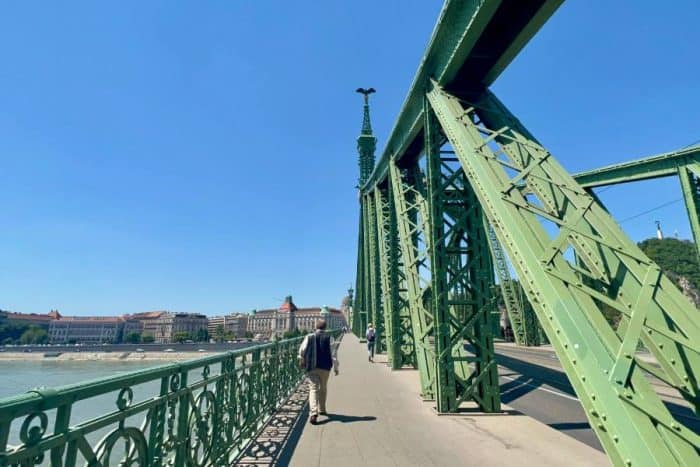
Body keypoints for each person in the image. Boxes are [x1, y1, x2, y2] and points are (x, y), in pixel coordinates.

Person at [298, 319, 339, 425]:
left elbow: (302, 350)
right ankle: (322, 409)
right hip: (325, 368)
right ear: (325, 327)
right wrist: (336, 368)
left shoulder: (309, 337)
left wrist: (301, 359)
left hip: (311, 366)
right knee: (323, 387)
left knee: (313, 389)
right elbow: (333, 355)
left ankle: (313, 412)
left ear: (316, 327)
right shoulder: (330, 338)